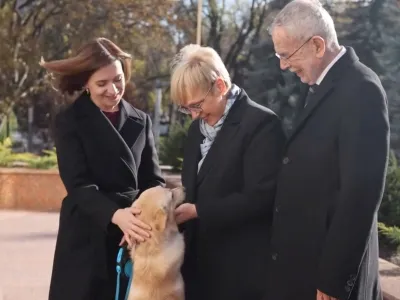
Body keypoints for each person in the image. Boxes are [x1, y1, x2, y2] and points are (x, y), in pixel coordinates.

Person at [266, 1, 389, 300]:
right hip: (303, 269)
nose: (283, 65)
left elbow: (359, 196)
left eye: (286, 55)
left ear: (318, 45)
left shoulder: (362, 89)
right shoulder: (318, 84)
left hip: (328, 282)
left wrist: (335, 280)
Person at [40, 37, 165, 300]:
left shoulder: (141, 120)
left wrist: (139, 220)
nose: (113, 89)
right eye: (102, 83)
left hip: (132, 236)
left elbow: (153, 181)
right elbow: (77, 183)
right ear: (86, 83)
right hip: (87, 235)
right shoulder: (69, 120)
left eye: (118, 79)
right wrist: (116, 215)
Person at [170, 44, 286, 300]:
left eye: (197, 105)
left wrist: (199, 211)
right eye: (186, 108)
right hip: (197, 270)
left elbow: (261, 197)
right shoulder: (197, 129)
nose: (193, 116)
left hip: (238, 274)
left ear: (220, 86)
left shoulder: (261, 125)